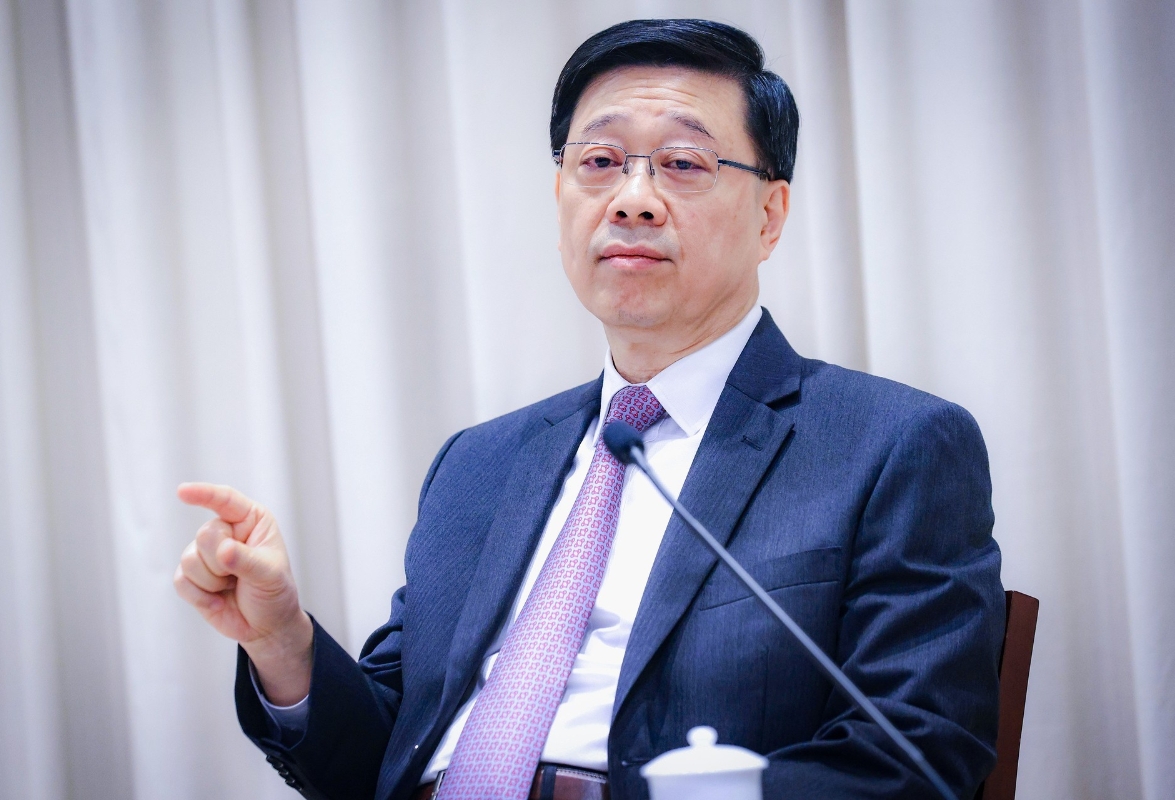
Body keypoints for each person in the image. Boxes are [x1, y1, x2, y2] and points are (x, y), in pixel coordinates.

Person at [174, 18, 1004, 800]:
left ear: (769, 215)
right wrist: (280, 638)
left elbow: (917, 750)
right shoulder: (478, 462)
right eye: (599, 161)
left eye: (683, 163)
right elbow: (380, 763)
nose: (632, 199)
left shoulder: (887, 445)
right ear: (561, 195)